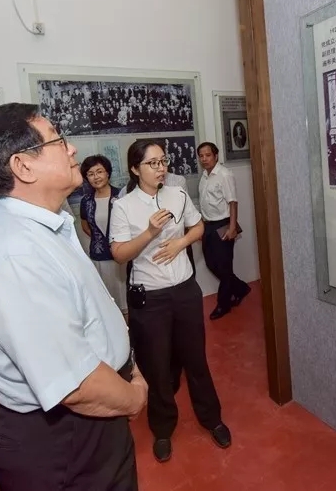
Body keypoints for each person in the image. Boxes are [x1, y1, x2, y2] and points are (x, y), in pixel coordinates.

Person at [0, 103, 146, 490]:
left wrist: (128, 367)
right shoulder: (15, 257)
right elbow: (74, 384)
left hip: (94, 416)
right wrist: (133, 397)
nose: (72, 148)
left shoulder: (46, 226)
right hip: (65, 440)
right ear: (23, 166)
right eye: (58, 141)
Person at [110, 139, 231, 463]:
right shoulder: (123, 206)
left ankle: (212, 418)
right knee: (157, 365)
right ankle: (163, 427)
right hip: (150, 297)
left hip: (185, 290)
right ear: (135, 169)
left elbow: (198, 226)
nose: (161, 168)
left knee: (196, 359)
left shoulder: (177, 194)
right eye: (153, 163)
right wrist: (149, 232)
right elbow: (119, 254)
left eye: (163, 161)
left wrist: (181, 243)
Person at [197, 142, 251, 319]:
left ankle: (224, 304)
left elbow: (233, 202)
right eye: (201, 156)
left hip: (223, 224)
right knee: (211, 264)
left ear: (216, 156)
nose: (204, 159)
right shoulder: (205, 176)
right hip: (208, 225)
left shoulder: (225, 174)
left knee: (224, 266)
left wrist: (233, 227)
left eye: (208, 155)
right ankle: (240, 288)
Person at [79, 154, 127, 318]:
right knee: (107, 302)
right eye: (90, 174)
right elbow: (85, 226)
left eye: (99, 171)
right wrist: (101, 240)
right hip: (99, 258)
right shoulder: (86, 201)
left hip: (121, 257)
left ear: (108, 173)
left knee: (125, 300)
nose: (96, 177)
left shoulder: (121, 196)